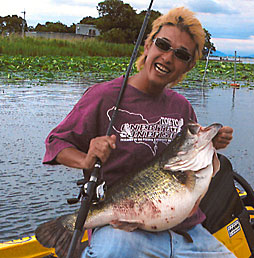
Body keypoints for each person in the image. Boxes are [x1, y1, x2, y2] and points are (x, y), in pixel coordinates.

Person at [43, 7, 234, 258]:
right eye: (163, 45)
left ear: (187, 67)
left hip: (186, 232)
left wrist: (211, 145)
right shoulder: (104, 97)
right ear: (147, 46)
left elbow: (194, 168)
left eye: (180, 54)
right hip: (121, 230)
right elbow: (56, 143)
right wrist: (85, 159)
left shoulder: (182, 107)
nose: (167, 57)